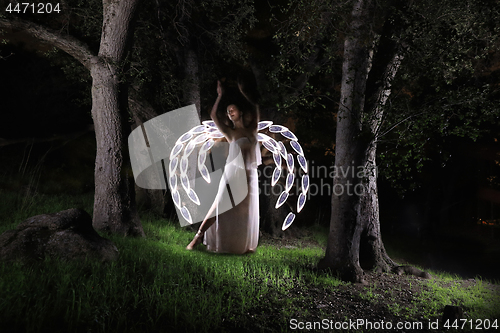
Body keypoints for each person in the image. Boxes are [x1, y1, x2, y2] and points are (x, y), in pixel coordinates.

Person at [186, 79, 261, 254]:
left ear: (240, 112)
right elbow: (213, 115)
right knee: (220, 205)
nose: (229, 112)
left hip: (250, 176)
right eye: (228, 112)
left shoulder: (252, 130)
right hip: (233, 174)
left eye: (232, 109)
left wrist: (244, 93)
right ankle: (198, 236)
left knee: (244, 212)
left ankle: (237, 244)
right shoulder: (230, 133)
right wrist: (219, 96)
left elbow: (256, 107)